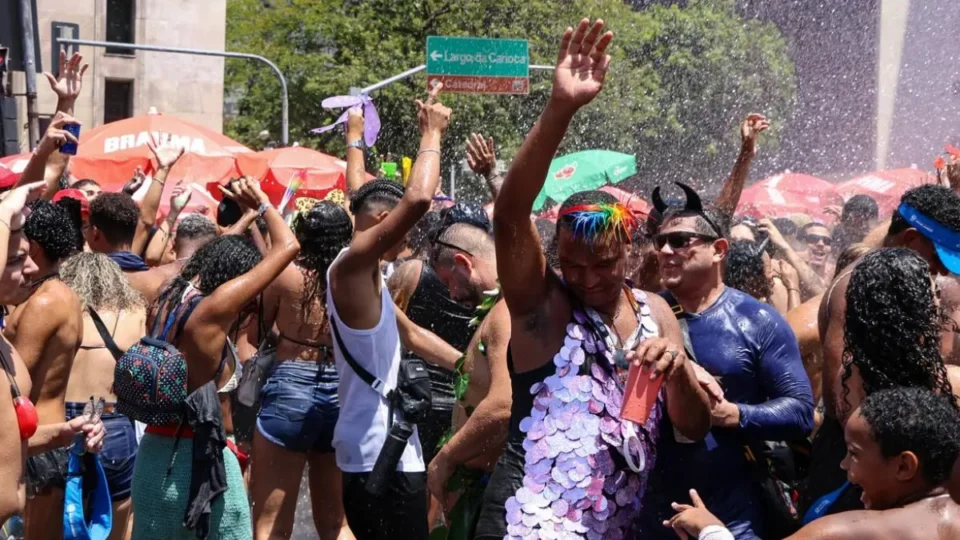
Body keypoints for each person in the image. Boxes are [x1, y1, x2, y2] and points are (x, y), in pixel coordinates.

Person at [474, 20, 711, 540]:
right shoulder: (545, 306)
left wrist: (679, 371)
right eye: (572, 265)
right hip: (525, 527)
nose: (587, 279)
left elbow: (691, 427)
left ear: (629, 251)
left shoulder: (657, 311)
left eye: (603, 264)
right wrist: (561, 107)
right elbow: (511, 215)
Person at [638, 182, 814, 540]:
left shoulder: (758, 320)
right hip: (651, 512)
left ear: (718, 250)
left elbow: (801, 411)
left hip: (733, 512)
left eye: (681, 241)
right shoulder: (643, 313)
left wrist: (735, 414)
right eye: (660, 242)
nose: (666, 251)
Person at [326, 84, 461, 540]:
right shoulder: (351, 268)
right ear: (383, 223)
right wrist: (432, 134)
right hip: (377, 455)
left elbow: (412, 334)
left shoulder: (369, 276)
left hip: (389, 448)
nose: (411, 233)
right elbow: (419, 198)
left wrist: (471, 366)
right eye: (400, 224)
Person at [131, 177, 298, 540]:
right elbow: (288, 247)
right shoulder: (215, 308)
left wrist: (246, 218)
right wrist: (265, 204)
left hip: (151, 463)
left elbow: (214, 252)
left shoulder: (168, 295)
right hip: (199, 464)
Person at [668, 388, 960, 540]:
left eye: (854, 454)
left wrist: (710, 529)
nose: (844, 465)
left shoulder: (851, 532)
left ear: (904, 467)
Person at [801, 247, 960, 518]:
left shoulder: (849, 377)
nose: (937, 299)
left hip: (854, 497)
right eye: (931, 291)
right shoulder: (951, 382)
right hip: (929, 513)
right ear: (915, 304)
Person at [250, 201, 355, 540]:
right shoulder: (355, 277)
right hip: (341, 391)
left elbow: (255, 334)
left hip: (290, 386)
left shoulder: (286, 275)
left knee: (271, 526)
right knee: (337, 524)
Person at [5, 199, 85, 540]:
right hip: (41, 439)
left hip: (37, 446)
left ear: (33, 247)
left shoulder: (44, 301)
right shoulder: (53, 293)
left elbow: (12, 382)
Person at [426, 222, 511, 537]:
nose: (451, 293)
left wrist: (445, 460)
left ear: (464, 262)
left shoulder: (504, 314)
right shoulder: (498, 310)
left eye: (449, 282)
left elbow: (504, 404)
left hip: (493, 494)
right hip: (481, 490)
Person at [61, 252, 147, 540]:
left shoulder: (56, 314)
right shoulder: (134, 312)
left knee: (57, 520)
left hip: (60, 424)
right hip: (113, 420)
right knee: (114, 524)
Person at [786, 243, 871, 435]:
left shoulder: (858, 318)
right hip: (802, 436)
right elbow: (762, 365)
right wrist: (809, 418)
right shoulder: (810, 321)